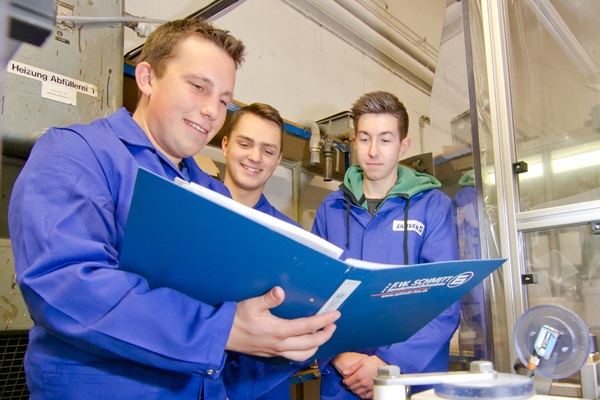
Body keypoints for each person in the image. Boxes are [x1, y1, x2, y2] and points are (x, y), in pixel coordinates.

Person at [8, 18, 339, 400]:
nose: (212, 111)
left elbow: (233, 328)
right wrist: (222, 330)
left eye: (223, 100)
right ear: (147, 78)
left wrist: (287, 341)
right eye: (199, 87)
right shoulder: (78, 154)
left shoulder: (212, 192)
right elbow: (64, 283)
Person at [312, 91, 461, 399]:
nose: (374, 151)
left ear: (403, 145)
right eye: (365, 139)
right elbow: (314, 291)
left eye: (385, 139)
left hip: (414, 376)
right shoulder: (332, 208)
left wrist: (389, 363)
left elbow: (445, 298)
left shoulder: (433, 206)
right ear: (353, 143)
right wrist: (338, 356)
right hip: (346, 379)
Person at [220, 102, 306, 399]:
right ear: (225, 145)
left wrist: (231, 388)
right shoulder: (190, 211)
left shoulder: (295, 241)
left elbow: (302, 333)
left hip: (260, 391)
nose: (255, 157)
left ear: (278, 159)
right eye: (245, 144)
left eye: (268, 151)